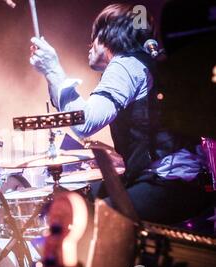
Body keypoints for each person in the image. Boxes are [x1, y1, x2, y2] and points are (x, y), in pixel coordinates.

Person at [30, 3, 212, 224]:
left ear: (107, 36)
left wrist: (53, 70)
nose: (89, 47)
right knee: (79, 199)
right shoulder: (145, 63)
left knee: (83, 219)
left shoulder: (125, 65)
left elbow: (84, 124)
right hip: (187, 181)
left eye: (93, 39)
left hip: (168, 183)